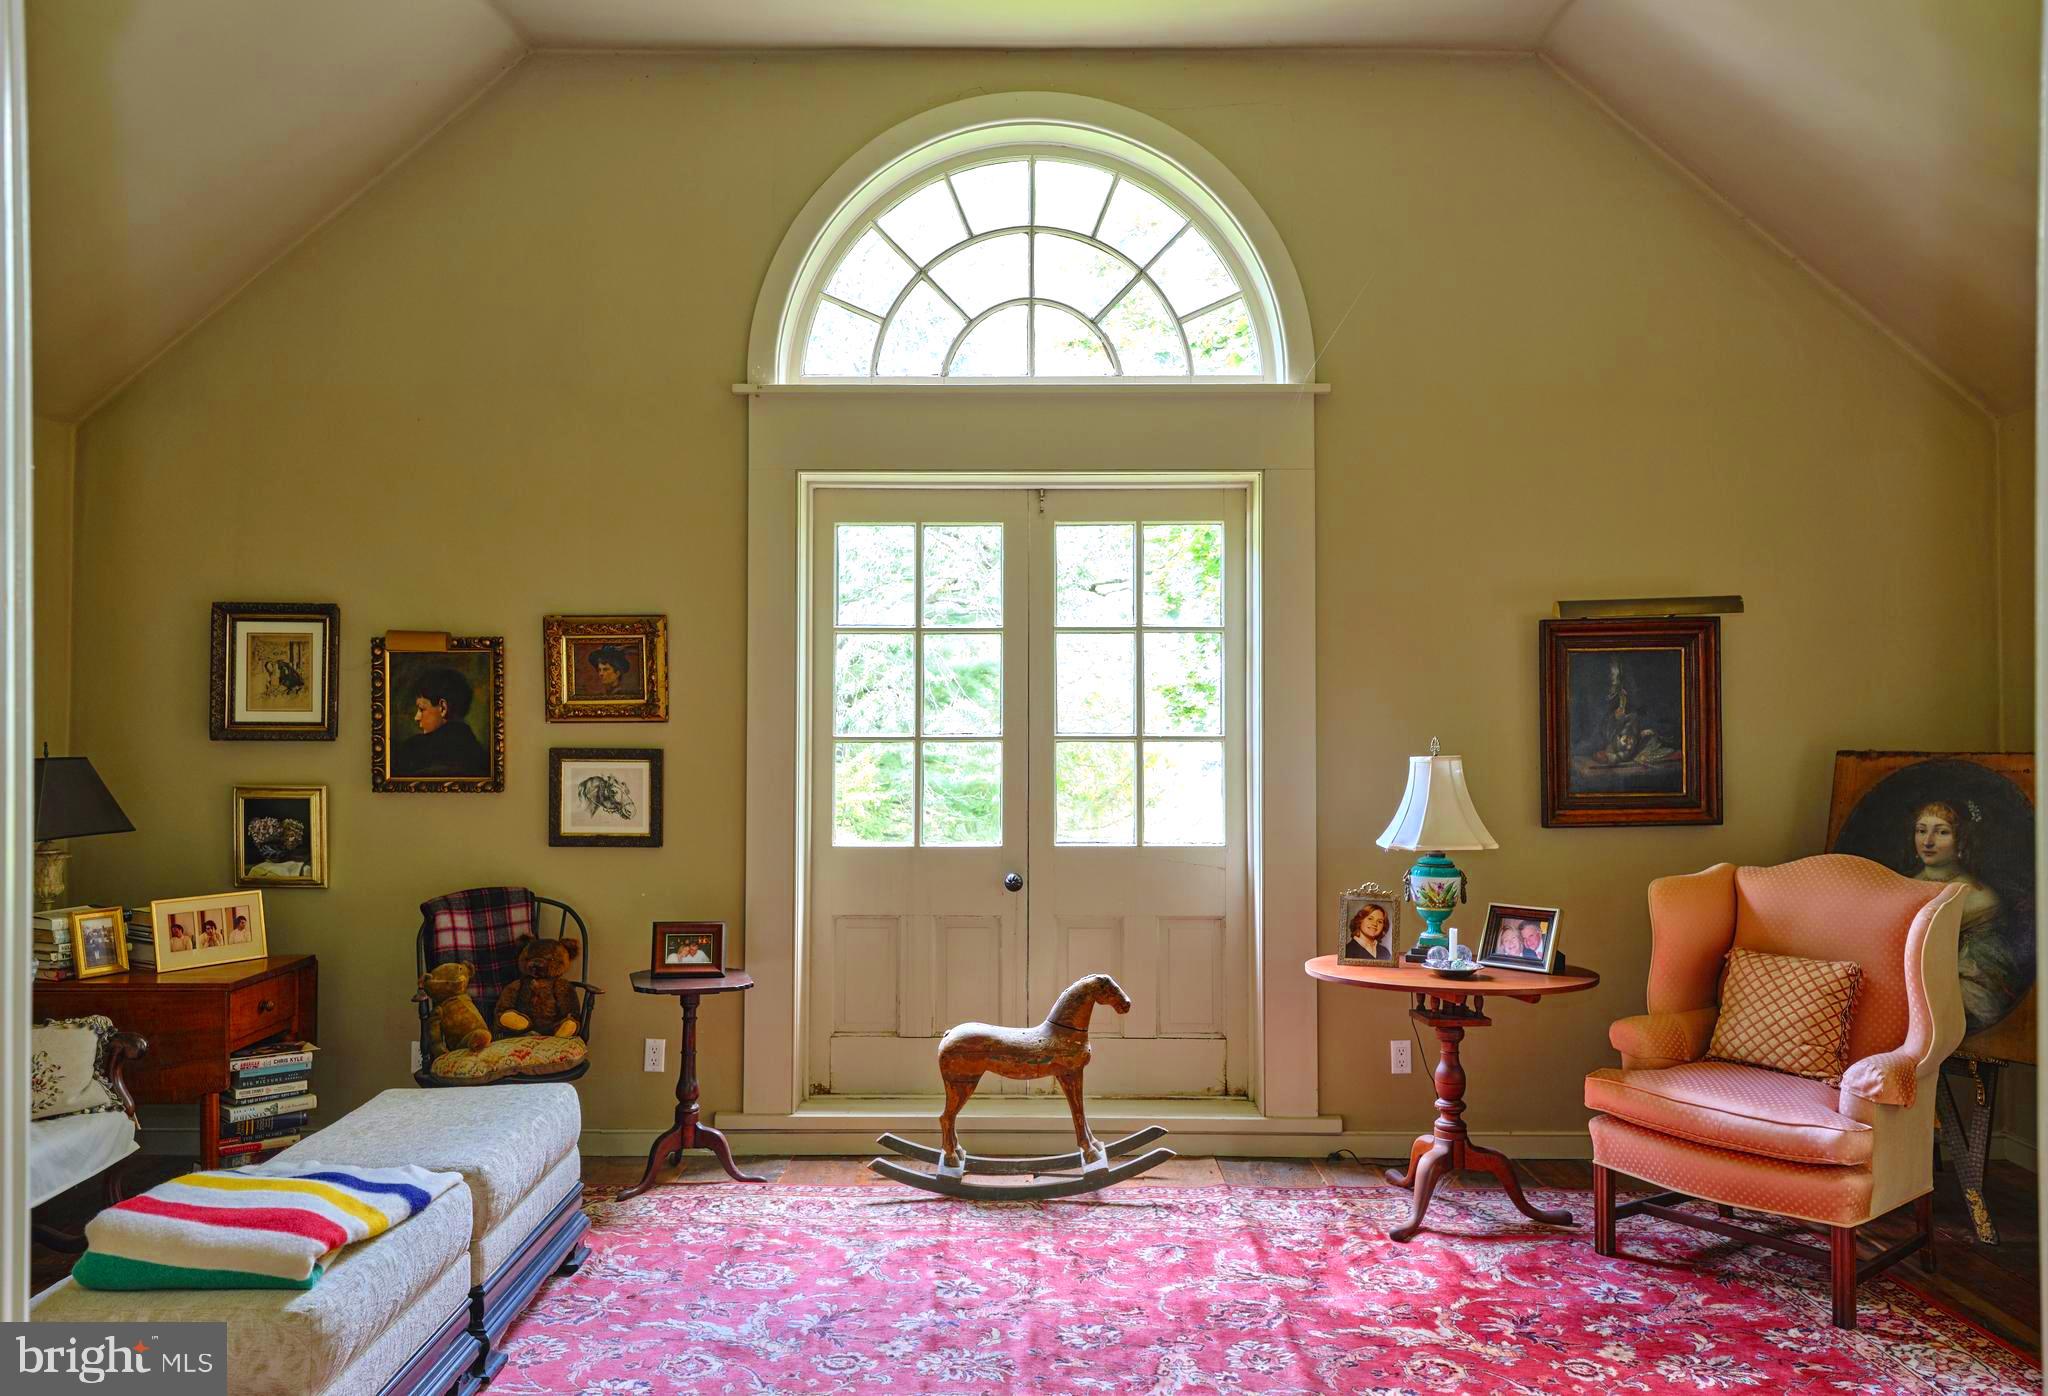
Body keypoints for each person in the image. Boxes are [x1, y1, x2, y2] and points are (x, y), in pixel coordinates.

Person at [1909, 799, 2012, 1033]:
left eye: (1942, 832)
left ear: (1961, 840)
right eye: (1921, 830)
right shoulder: (1902, 886)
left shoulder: (1979, 899)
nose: (1928, 842)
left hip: (1948, 1000)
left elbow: (1983, 979)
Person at [393, 665, 489, 777]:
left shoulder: (414, 750)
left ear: (443, 708)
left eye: (421, 709)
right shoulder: (479, 754)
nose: (416, 717)